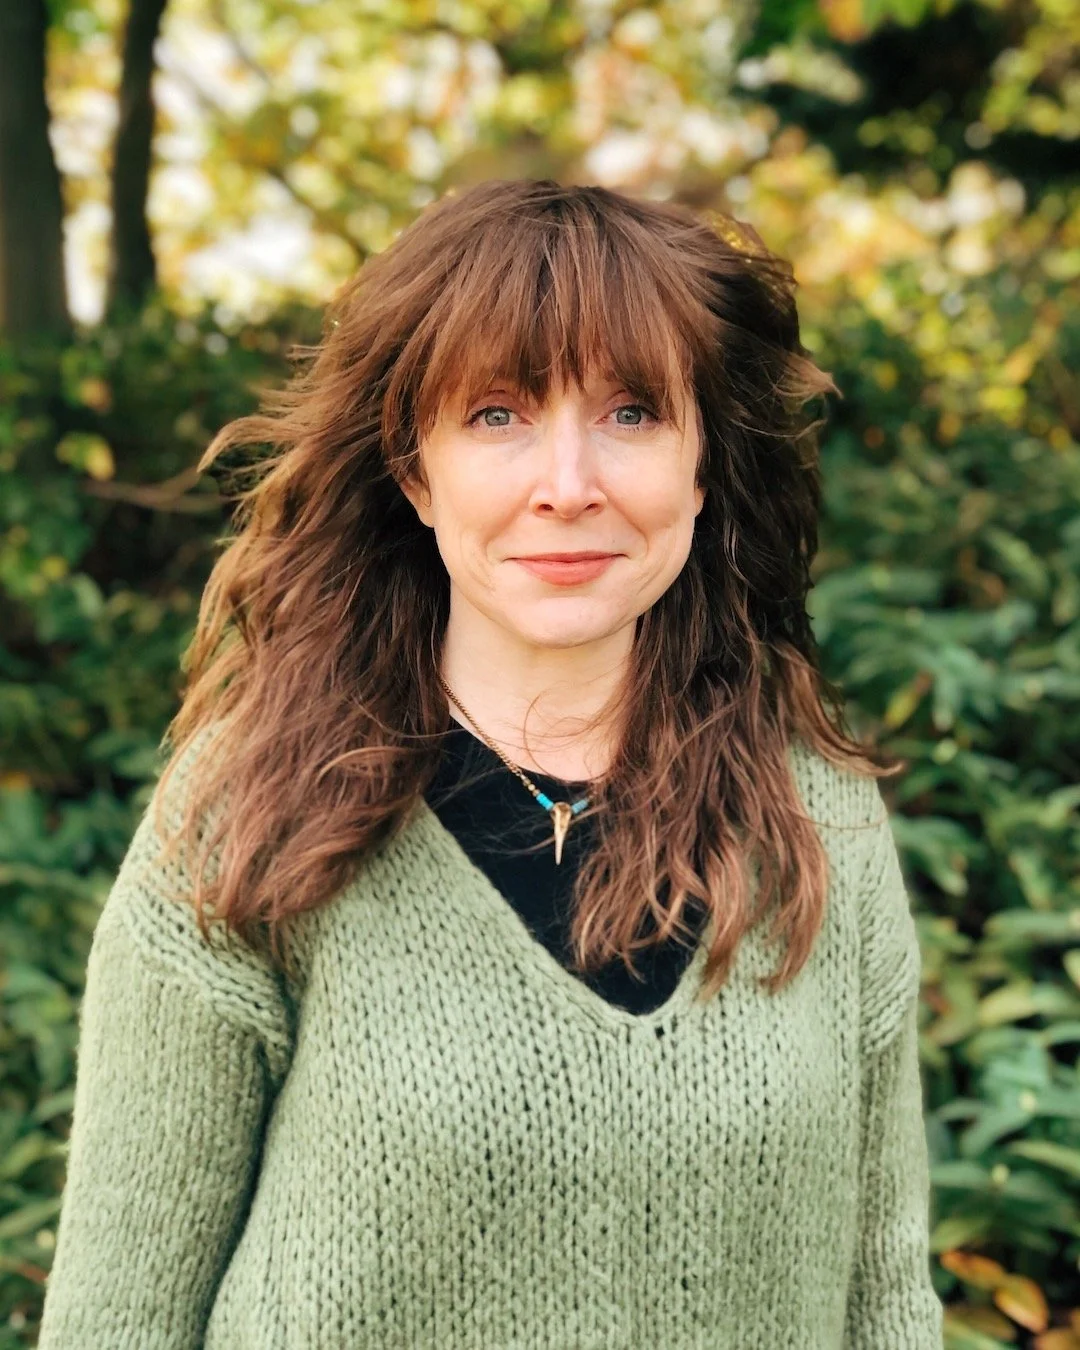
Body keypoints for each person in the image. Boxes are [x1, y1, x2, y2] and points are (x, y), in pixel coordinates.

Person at [37, 178, 945, 1348]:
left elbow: (886, 1306)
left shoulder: (820, 823)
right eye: (499, 416)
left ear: (707, 462)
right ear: (415, 471)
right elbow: (117, 1324)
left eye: (631, 414)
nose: (568, 485)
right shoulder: (246, 813)